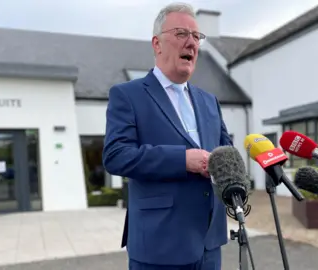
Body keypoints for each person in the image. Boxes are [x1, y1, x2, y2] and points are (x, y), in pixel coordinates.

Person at [102, 2, 233, 269]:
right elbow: (116, 156)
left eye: (196, 37)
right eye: (181, 33)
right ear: (157, 44)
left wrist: (223, 169)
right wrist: (182, 159)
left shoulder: (210, 102)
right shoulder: (128, 95)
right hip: (158, 244)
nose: (191, 43)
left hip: (209, 242)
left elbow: (226, 151)